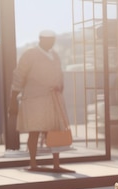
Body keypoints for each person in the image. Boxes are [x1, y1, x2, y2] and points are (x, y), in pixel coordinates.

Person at [9, 30, 74, 173]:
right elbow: (19, 75)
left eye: (53, 40)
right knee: (34, 131)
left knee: (54, 131)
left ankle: (56, 164)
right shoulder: (30, 54)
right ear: (40, 39)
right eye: (48, 40)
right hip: (35, 99)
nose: (51, 43)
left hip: (52, 99)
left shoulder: (55, 56)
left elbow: (59, 74)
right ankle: (33, 163)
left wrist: (60, 86)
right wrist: (13, 98)